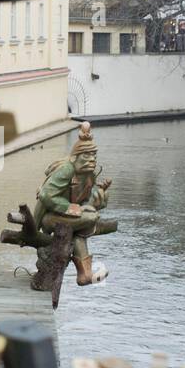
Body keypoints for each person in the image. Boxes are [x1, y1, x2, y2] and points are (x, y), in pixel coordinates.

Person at [33, 122, 112, 285]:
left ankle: (84, 275)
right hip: (49, 217)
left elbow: (84, 202)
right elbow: (46, 195)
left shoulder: (89, 175)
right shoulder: (67, 169)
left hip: (67, 218)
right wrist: (69, 207)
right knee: (89, 219)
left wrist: (100, 198)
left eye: (94, 156)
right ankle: (83, 273)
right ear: (75, 157)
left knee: (79, 231)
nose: (92, 160)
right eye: (87, 156)